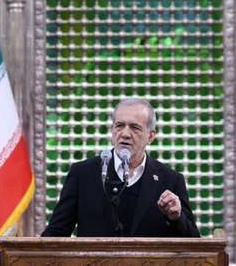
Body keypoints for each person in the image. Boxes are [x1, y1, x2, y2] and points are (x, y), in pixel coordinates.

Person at [41, 98, 200, 237]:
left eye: (135, 128)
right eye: (119, 126)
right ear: (112, 130)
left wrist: (177, 218)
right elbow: (55, 235)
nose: (125, 134)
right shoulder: (83, 174)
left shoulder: (170, 180)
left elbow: (194, 245)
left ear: (150, 136)